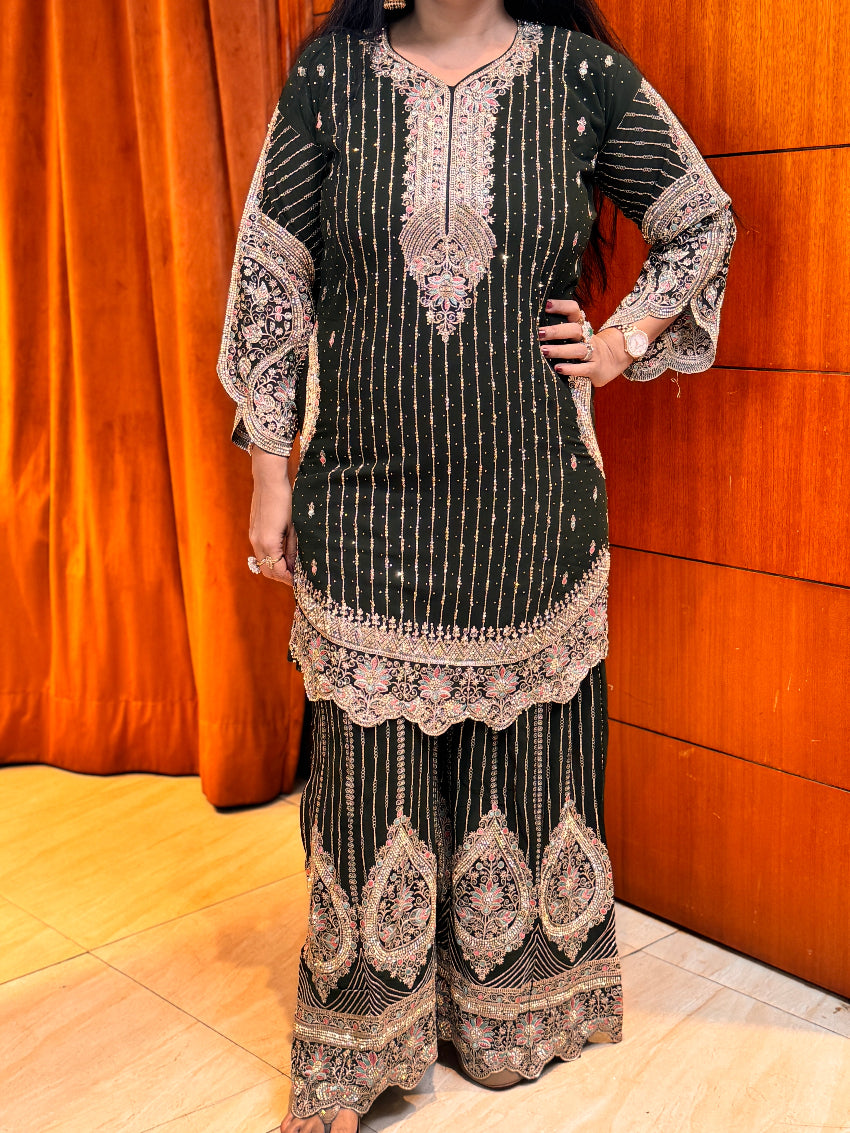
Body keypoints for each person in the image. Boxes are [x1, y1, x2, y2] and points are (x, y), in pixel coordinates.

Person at [216, 1, 735, 1130]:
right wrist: (269, 473)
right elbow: (271, 280)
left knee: (524, 742)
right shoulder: (330, 77)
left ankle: (513, 1010)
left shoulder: (582, 75)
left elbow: (699, 221)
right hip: (361, 492)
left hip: (528, 493)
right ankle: (355, 1043)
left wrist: (623, 338)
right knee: (364, 765)